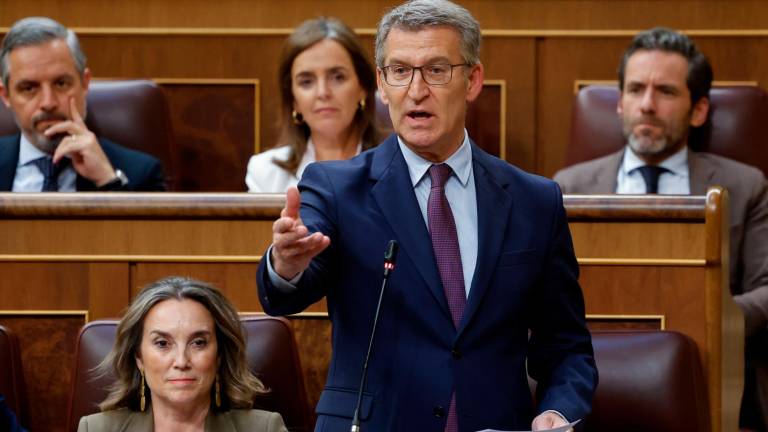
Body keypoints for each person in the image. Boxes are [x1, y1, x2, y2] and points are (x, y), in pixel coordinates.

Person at [257, 1, 597, 431]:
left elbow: (566, 346)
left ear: (473, 80)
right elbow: (286, 295)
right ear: (381, 84)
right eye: (400, 71)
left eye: (436, 70)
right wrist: (284, 265)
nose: (416, 90)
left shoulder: (535, 200)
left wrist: (558, 411)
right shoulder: (336, 188)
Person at [553, 27, 768, 431]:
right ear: (619, 103)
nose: (647, 105)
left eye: (666, 92)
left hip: (707, 378)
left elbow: (767, 287)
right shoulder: (568, 187)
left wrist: (711, 317)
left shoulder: (744, 186)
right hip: (588, 376)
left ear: (699, 109)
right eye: (635, 90)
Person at [78, 276, 287, 431]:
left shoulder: (265, 428)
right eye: (162, 343)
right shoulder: (96, 429)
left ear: (219, 355)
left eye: (198, 342)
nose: (181, 361)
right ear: (139, 358)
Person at [0, 17, 165, 192]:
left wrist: (108, 181)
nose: (48, 103)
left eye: (61, 83)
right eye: (29, 88)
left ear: (85, 83)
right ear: (6, 96)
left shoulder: (141, 173)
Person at [245, 17, 381, 192]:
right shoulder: (266, 172)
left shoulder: (400, 165)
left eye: (338, 77)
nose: (323, 92)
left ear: (362, 87)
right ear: (294, 100)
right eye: (307, 82)